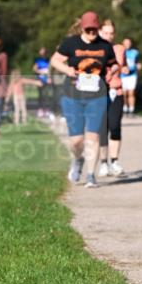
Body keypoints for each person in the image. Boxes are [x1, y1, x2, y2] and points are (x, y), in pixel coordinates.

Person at [50, 11, 118, 188]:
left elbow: (114, 63)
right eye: (88, 30)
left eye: (94, 30)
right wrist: (68, 70)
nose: (91, 33)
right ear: (82, 28)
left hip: (97, 96)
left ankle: (90, 175)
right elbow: (55, 61)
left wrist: (112, 72)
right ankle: (78, 160)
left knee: (93, 137)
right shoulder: (70, 43)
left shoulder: (105, 46)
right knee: (76, 140)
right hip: (72, 96)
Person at [98, 19, 126, 177]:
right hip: (99, 92)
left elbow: (122, 64)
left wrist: (125, 68)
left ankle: (114, 160)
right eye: (105, 33)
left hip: (116, 91)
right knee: (103, 128)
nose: (108, 36)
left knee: (115, 126)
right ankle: (103, 163)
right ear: (100, 32)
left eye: (111, 33)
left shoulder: (119, 48)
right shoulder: (96, 49)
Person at [121, 38, 141, 114]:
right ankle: (125, 107)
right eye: (125, 43)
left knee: (131, 92)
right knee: (124, 93)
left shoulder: (135, 52)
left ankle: (132, 109)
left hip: (132, 75)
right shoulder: (121, 52)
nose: (127, 44)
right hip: (123, 75)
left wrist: (138, 65)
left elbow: (137, 62)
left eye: (128, 43)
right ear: (123, 44)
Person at [33, 46, 51, 118]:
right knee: (41, 95)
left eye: (44, 51)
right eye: (41, 51)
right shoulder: (38, 60)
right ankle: (40, 110)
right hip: (40, 79)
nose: (43, 52)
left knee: (46, 95)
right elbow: (34, 69)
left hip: (47, 79)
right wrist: (40, 71)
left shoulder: (48, 59)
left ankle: (46, 110)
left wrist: (49, 77)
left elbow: (50, 69)